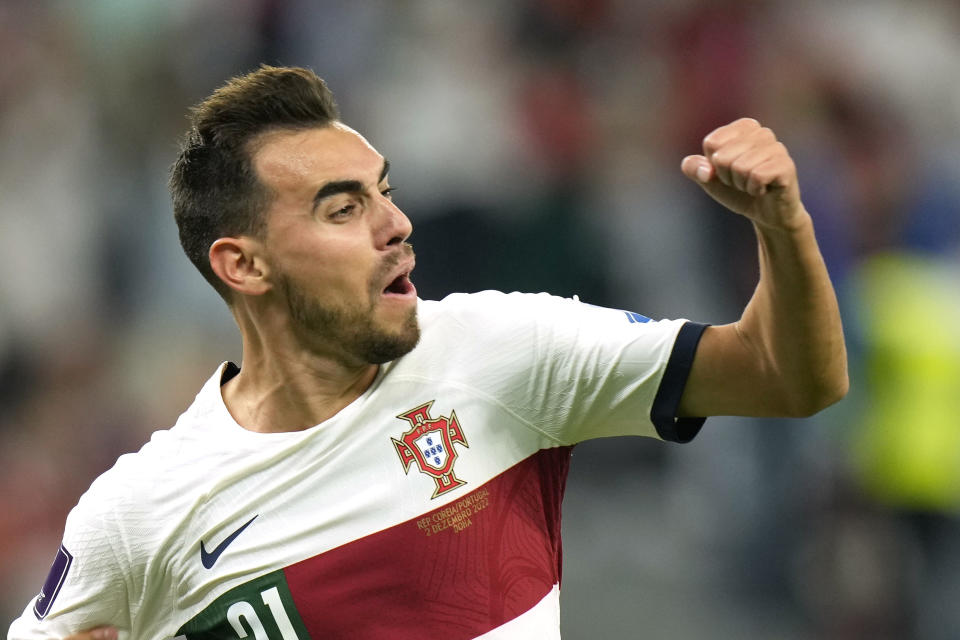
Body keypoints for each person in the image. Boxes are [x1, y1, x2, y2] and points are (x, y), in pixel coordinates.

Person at [8, 65, 847, 640]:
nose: (395, 225)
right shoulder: (140, 514)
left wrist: (784, 228)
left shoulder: (500, 351)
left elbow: (790, 377)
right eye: (342, 210)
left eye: (386, 192)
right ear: (243, 264)